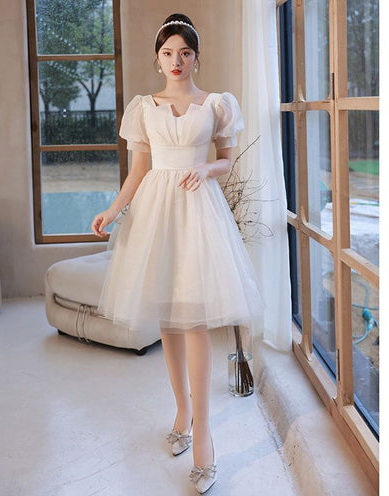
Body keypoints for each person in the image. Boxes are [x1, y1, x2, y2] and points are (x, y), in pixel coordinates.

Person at [91, 13, 265, 494]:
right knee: (169, 319)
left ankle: (204, 434)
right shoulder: (144, 108)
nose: (176, 61)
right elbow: (137, 172)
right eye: (168, 53)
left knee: (194, 322)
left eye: (184, 53)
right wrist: (112, 210)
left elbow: (226, 160)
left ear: (196, 57)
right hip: (155, 215)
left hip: (198, 214)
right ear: (157, 58)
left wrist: (206, 169)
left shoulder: (215, 104)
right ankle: (182, 411)